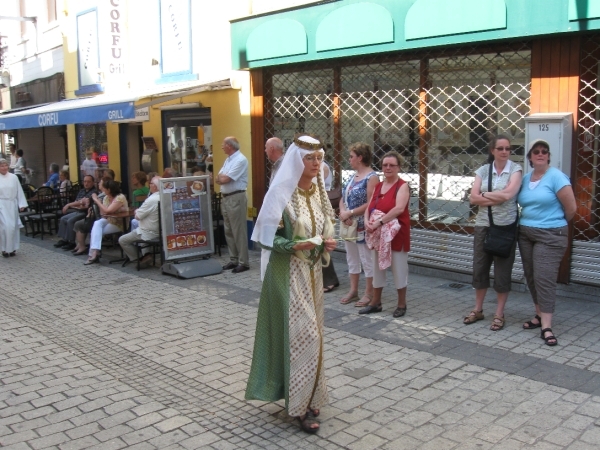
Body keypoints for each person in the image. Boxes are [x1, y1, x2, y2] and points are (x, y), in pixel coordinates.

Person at [246, 135, 337, 434]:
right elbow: (265, 238)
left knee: (314, 337)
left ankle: (308, 396)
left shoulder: (318, 193)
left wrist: (326, 244)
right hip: (285, 275)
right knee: (305, 336)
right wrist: (297, 246)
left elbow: (321, 231)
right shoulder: (280, 194)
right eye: (309, 158)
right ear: (296, 160)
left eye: (319, 158)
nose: (315, 163)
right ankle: (297, 407)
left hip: (312, 275)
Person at [518, 139, 576, 346]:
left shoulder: (557, 177)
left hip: (550, 234)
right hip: (525, 233)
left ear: (549, 156)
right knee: (531, 276)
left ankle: (547, 326)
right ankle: (538, 315)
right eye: (536, 152)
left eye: (544, 151)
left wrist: (553, 223)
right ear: (530, 157)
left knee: (544, 278)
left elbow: (571, 208)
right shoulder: (525, 179)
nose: (540, 154)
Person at [463, 135, 522, 331]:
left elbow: (509, 194)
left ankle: (499, 313)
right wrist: (496, 197)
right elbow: (472, 198)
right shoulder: (483, 170)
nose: (505, 152)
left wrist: (485, 196)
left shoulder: (515, 169)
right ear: (493, 151)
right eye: (501, 148)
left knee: (502, 271)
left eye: (508, 148)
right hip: (483, 225)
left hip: (505, 227)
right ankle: (478, 309)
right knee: (480, 267)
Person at [360, 151, 411, 317]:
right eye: (385, 165)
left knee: (399, 267)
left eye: (392, 165)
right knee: (377, 267)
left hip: (396, 234)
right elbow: (370, 206)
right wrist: (367, 220)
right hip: (378, 234)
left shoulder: (402, 186)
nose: (388, 168)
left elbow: (398, 208)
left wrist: (378, 223)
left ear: (398, 167)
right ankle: (376, 302)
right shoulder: (378, 186)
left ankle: (402, 304)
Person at [338, 142, 379, 306]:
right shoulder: (352, 176)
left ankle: (369, 292)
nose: (349, 159)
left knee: (366, 259)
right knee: (352, 258)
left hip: (362, 224)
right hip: (349, 223)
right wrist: (343, 212)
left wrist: (351, 213)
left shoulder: (372, 177)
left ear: (360, 158)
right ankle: (353, 290)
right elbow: (343, 196)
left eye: (352, 156)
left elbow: (371, 203)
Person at [216, 136, 250, 273]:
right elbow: (219, 177)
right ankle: (234, 259)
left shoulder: (240, 160)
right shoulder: (228, 159)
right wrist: (221, 178)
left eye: (223, 144)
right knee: (229, 230)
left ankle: (243, 262)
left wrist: (222, 178)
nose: (221, 147)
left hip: (236, 197)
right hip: (226, 198)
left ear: (230, 146)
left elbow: (225, 178)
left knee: (238, 230)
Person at [119, 176, 160, 267]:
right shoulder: (164, 197)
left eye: (151, 183)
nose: (149, 185)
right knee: (138, 229)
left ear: (155, 187)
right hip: (160, 231)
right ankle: (147, 255)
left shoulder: (151, 200)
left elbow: (137, 216)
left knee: (122, 240)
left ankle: (138, 259)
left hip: (149, 232)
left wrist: (136, 211)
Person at [54, 175, 98, 251]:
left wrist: (72, 204)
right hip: (77, 210)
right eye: (85, 181)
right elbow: (77, 201)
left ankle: (71, 242)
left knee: (70, 221)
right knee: (63, 218)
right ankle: (64, 239)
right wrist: (78, 204)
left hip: (86, 213)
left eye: (88, 181)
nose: (86, 183)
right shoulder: (82, 191)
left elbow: (83, 203)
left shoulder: (94, 192)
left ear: (93, 183)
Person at [0, 158, 28, 257]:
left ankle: (12, 248)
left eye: (5, 165)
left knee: (13, 227)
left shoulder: (13, 177)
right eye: (2, 166)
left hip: (12, 205)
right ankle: (4, 249)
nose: (4, 168)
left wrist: (22, 204)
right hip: (2, 205)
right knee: (5, 227)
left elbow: (19, 191)